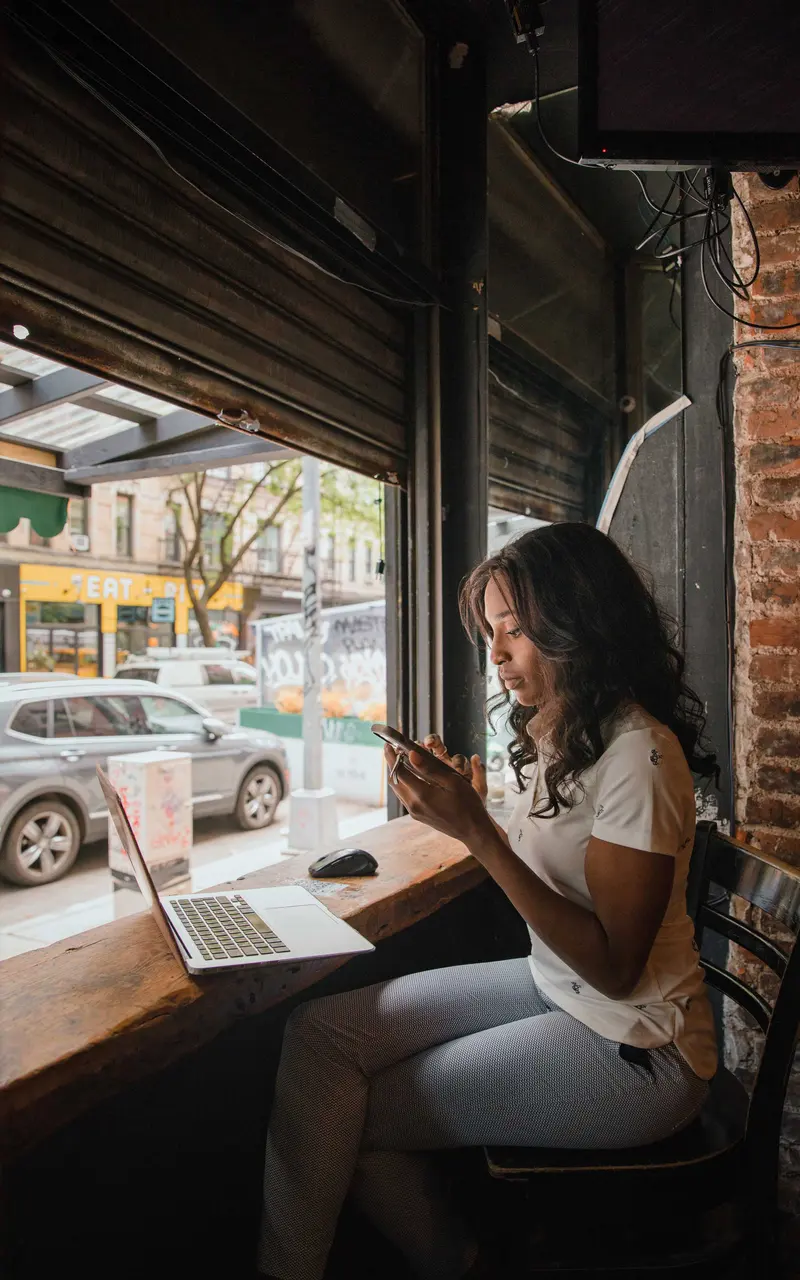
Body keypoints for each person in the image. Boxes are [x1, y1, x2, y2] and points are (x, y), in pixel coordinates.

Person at [257, 523, 718, 1280]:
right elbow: (565, 861)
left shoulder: (640, 754)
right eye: (490, 633)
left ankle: (449, 1263)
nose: (496, 653)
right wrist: (475, 811)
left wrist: (480, 835)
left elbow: (615, 968)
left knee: (343, 1119)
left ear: (580, 625)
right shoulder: (569, 733)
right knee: (320, 1037)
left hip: (636, 1047)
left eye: (516, 630)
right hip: (557, 990)